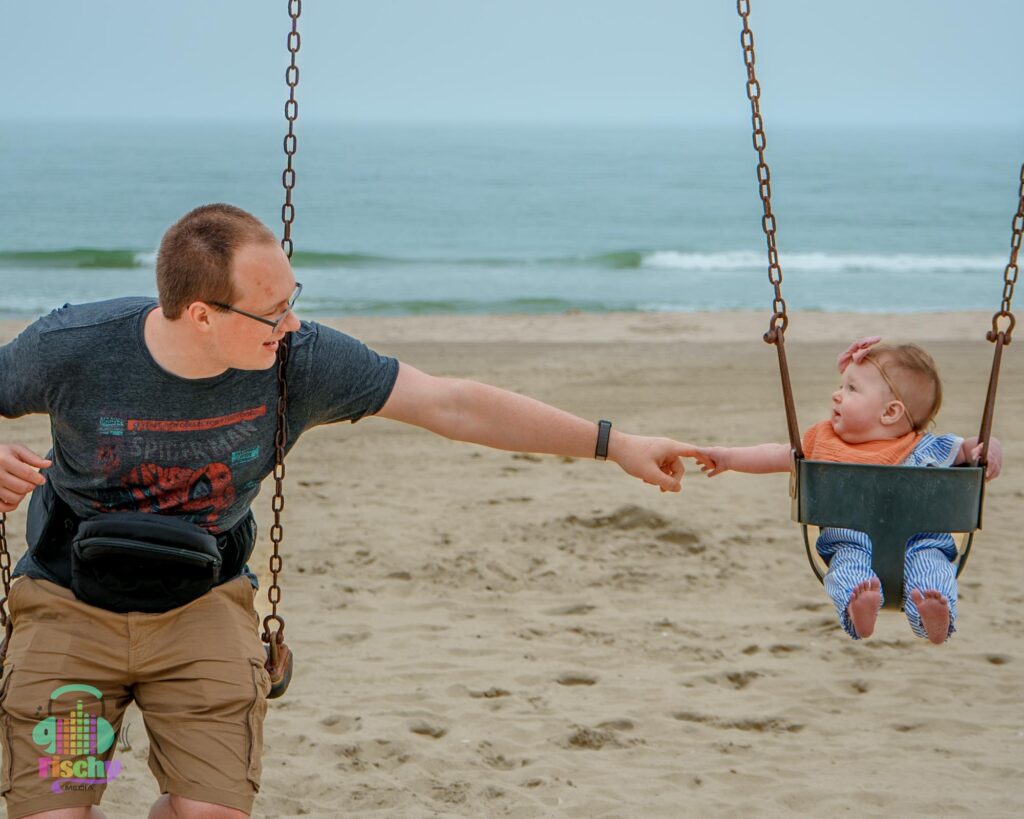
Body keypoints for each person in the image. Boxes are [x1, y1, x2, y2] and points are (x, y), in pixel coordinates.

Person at [0, 203, 697, 819]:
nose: (292, 321)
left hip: (201, 607)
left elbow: (450, 402)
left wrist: (614, 443)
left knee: (209, 808)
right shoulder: (73, 347)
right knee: (59, 807)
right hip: (72, 613)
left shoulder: (299, 360)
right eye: (271, 311)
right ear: (203, 314)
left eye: (292, 298)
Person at [691, 336, 1003, 645]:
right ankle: (859, 606)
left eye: (851, 389)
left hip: (920, 542)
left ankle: (932, 615)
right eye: (842, 386)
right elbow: (776, 453)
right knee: (846, 573)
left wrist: (988, 451)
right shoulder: (823, 443)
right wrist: (729, 457)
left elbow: (969, 447)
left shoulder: (926, 448)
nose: (836, 395)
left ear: (890, 413)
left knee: (932, 571)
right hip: (851, 543)